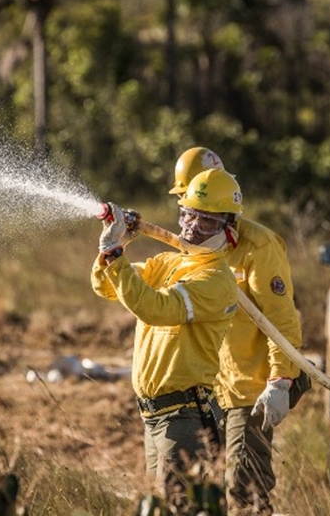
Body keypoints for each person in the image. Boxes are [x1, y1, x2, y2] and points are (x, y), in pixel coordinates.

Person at [91, 168, 240, 511]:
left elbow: (156, 308)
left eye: (207, 221)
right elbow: (106, 286)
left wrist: (115, 254)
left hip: (185, 419)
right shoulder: (169, 262)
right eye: (188, 214)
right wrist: (114, 247)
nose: (192, 226)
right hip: (154, 417)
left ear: (228, 231)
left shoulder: (216, 280)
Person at [169, 147, 304, 515]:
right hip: (212, 386)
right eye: (185, 206)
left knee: (245, 491)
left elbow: (282, 321)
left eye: (204, 213)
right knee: (204, 487)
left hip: (252, 388)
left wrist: (279, 382)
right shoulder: (193, 245)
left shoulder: (258, 246)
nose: (193, 221)